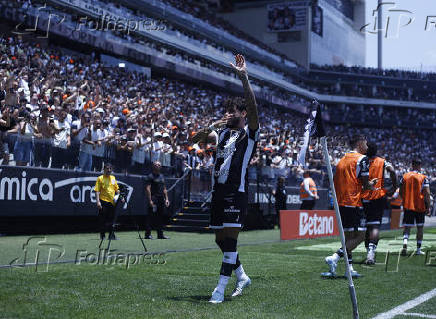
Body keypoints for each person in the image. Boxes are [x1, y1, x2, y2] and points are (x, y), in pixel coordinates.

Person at [192, 54, 259, 303]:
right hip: (218, 193)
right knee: (220, 240)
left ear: (242, 113)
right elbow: (194, 140)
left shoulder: (249, 134)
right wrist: (212, 124)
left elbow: (253, 108)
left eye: (232, 111)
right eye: (226, 111)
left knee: (230, 240)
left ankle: (219, 289)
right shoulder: (220, 133)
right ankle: (242, 275)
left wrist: (244, 78)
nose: (228, 114)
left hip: (236, 193)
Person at [324, 135, 377, 277]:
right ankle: (334, 257)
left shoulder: (342, 159)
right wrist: (371, 185)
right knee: (361, 235)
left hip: (340, 202)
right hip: (353, 202)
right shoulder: (362, 159)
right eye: (366, 143)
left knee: (349, 238)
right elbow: (365, 185)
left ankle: (349, 269)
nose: (367, 146)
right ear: (360, 143)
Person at [361, 142, 397, 264]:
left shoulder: (362, 160)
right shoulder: (382, 161)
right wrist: (394, 186)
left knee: (368, 225)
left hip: (363, 196)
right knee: (375, 226)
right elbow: (392, 171)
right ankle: (371, 252)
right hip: (377, 195)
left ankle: (367, 251)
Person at [400, 159, 431, 256]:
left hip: (408, 205)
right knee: (420, 227)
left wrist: (406, 199)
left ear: (412, 165)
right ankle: (418, 249)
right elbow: (427, 193)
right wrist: (428, 206)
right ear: (419, 165)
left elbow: (400, 191)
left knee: (407, 227)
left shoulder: (405, 176)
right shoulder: (423, 177)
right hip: (420, 206)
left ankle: (405, 243)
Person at [94, 162, 121, 240]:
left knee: (112, 220)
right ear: (104, 169)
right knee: (103, 219)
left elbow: (117, 189)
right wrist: (98, 201)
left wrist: (121, 196)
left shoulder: (113, 178)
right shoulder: (100, 178)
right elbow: (97, 191)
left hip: (112, 202)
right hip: (103, 201)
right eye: (107, 169)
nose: (109, 170)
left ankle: (111, 235)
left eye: (110, 169)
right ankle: (102, 236)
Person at [144, 161, 170, 239]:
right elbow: (148, 189)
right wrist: (150, 200)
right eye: (156, 164)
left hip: (161, 199)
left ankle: (160, 234)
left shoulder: (162, 176)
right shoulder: (150, 176)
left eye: (159, 164)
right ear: (153, 166)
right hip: (153, 198)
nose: (157, 166)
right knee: (151, 216)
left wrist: (167, 199)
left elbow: (164, 188)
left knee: (160, 216)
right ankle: (148, 234)